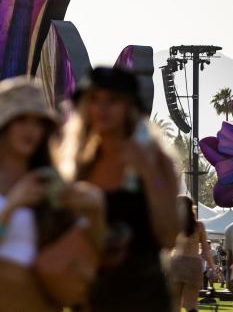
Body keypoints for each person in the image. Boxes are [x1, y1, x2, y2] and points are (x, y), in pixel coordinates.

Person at [0, 76, 104, 312]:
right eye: (21, 120)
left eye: (38, 122)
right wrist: (11, 205)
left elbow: (88, 253)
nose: (31, 130)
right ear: (2, 125)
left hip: (43, 301)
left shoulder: (50, 182)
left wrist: (95, 211)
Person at [59, 67, 179, 312]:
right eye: (94, 99)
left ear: (129, 107)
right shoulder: (79, 165)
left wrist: (149, 174)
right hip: (90, 297)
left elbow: (168, 237)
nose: (102, 109)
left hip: (143, 297)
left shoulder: (155, 160)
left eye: (112, 100)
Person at [168, 194, 218, 312]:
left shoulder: (174, 225)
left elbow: (168, 246)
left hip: (177, 264)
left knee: (175, 305)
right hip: (194, 265)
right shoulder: (199, 226)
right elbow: (206, 249)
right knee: (191, 305)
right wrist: (212, 268)